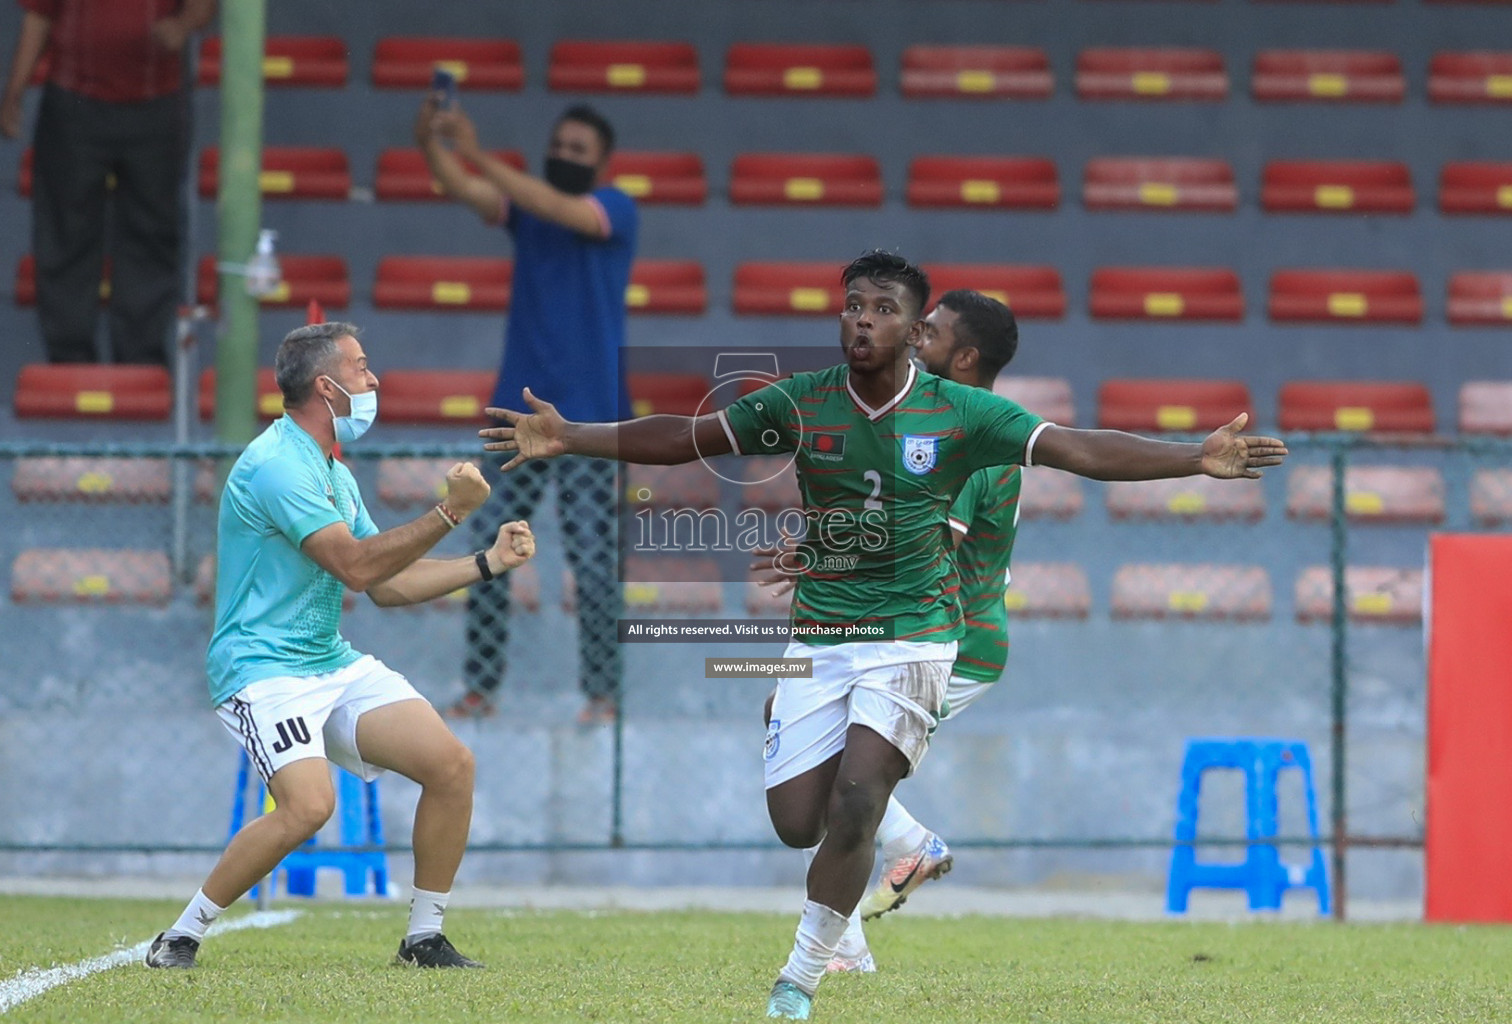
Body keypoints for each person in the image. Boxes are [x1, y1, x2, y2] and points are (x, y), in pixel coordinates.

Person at [477, 251, 1287, 1019]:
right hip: (824, 637)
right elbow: (692, 437)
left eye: (887, 310)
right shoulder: (803, 400)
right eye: (854, 306)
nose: (864, 321)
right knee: (800, 819)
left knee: (862, 795)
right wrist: (573, 434)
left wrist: (1192, 458)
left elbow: (1075, 449)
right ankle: (888, 873)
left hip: (919, 636)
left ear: (912, 331)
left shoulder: (964, 413)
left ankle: (800, 979)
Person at [146, 322, 536, 970]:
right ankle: (181, 935)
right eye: (361, 368)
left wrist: (487, 563)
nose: (374, 379)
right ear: (326, 388)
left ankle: (422, 940)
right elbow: (356, 568)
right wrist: (451, 511)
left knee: (451, 766)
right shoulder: (276, 464)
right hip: (260, 665)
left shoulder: (333, 471)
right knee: (310, 807)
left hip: (327, 657)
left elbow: (387, 586)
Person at [749, 289, 1028, 973]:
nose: (912, 338)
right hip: (934, 630)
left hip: (947, 640)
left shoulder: (961, 440)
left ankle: (866, 911)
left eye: (927, 331)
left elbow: (915, 541)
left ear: (962, 357)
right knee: (807, 742)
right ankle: (883, 883)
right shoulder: (949, 425)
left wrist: (820, 552)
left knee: (844, 780)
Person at [414, 95, 637, 726]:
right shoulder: (529, 214)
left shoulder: (615, 209)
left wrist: (477, 150)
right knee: (489, 549)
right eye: (558, 147)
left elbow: (555, 205)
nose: (563, 157)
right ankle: (482, 689)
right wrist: (433, 143)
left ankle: (602, 695)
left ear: (601, 163)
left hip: (593, 419)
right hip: (515, 416)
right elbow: (468, 192)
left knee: (592, 560)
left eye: (577, 151)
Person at [0, 0, 215, 365]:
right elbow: (37, 16)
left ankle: (141, 358)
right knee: (65, 235)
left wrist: (182, 26)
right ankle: (68, 358)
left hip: (156, 105)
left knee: (151, 234)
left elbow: (202, 5)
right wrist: (13, 94)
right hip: (73, 106)